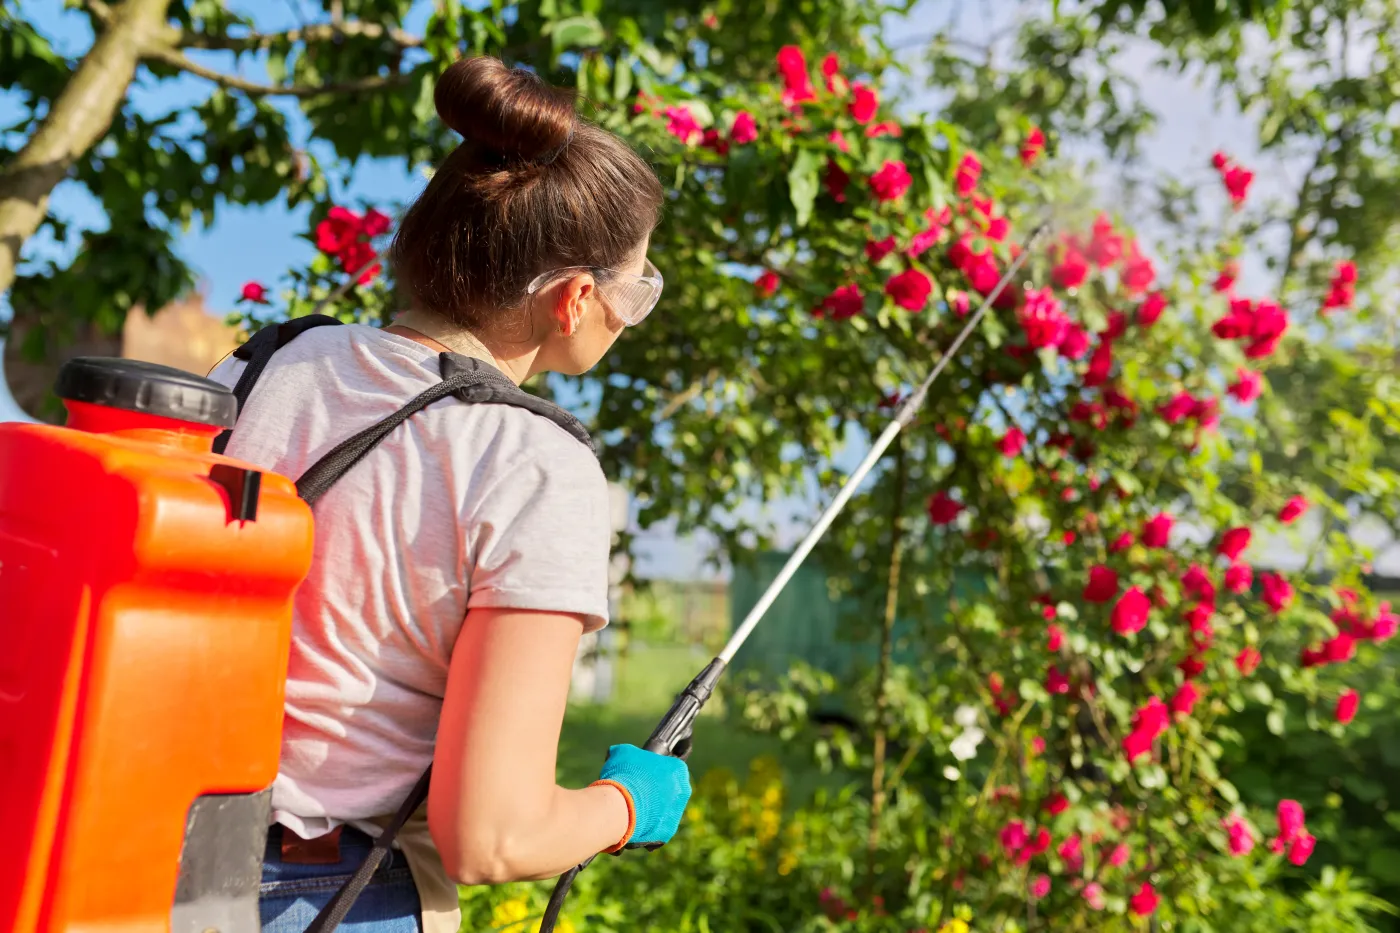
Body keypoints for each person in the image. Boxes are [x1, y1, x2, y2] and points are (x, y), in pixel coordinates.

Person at [208, 56, 692, 933]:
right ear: (576, 299)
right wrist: (629, 805)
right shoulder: (535, 461)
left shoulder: (267, 359)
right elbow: (492, 834)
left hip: (145, 854)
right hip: (335, 897)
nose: (633, 311)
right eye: (638, 287)